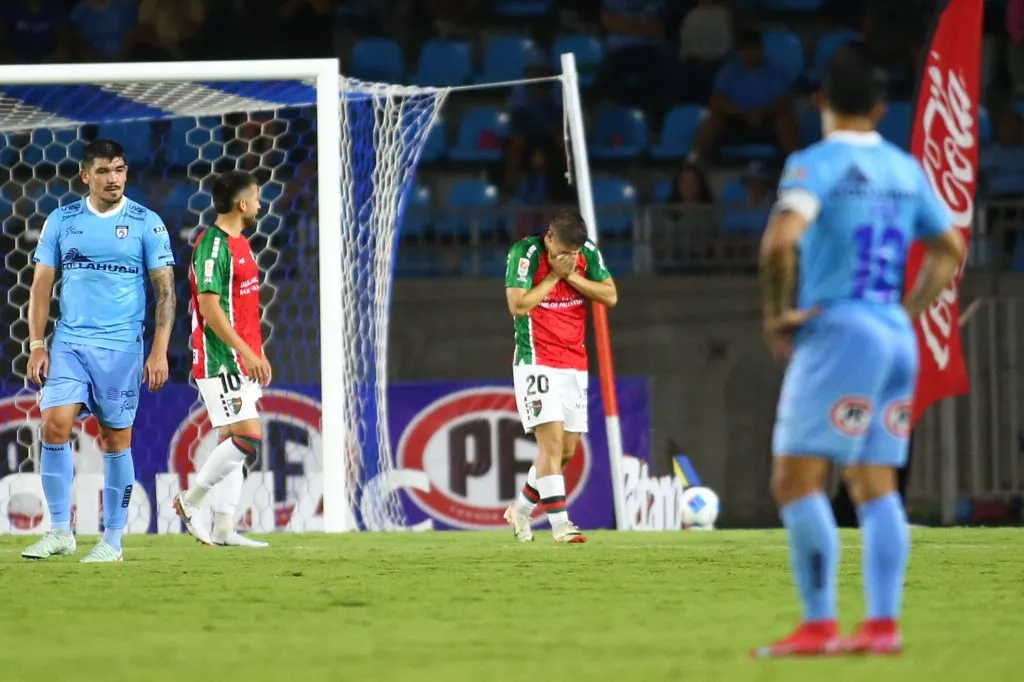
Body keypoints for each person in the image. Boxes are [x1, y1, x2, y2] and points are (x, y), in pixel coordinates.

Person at [753, 44, 965, 657]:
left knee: (796, 478)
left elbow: (778, 243)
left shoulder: (812, 163)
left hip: (841, 330)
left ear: (820, 100)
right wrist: (908, 312)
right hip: (896, 334)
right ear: (880, 106)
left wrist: (776, 315)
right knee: (876, 484)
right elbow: (949, 249)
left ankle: (819, 625)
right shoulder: (904, 168)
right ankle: (882, 625)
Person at [23, 139, 176, 563]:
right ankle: (58, 531)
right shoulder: (62, 220)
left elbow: (165, 291)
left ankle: (112, 541)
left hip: (122, 348)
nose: (114, 179)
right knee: (54, 424)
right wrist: (37, 344)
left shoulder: (147, 223)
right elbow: (41, 286)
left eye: (121, 170)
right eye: (105, 172)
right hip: (70, 342)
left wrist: (159, 351)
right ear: (85, 175)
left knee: (114, 439)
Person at [502, 211, 617, 544]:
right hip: (536, 361)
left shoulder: (587, 254)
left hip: (574, 364)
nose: (569, 259)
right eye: (563, 253)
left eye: (574, 255)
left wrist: (571, 277)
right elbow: (518, 305)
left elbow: (610, 295)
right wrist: (553, 277)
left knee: (566, 452)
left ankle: (521, 510)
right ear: (550, 238)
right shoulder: (524, 253)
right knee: (550, 446)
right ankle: (560, 525)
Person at [172, 171, 273, 547]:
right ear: (241, 204)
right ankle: (189, 500)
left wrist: (258, 352)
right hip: (219, 359)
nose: (260, 205)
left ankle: (224, 528)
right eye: (257, 198)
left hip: (242, 358)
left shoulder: (242, 243)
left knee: (231, 440)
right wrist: (246, 353)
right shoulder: (212, 246)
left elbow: (245, 308)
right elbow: (211, 311)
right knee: (248, 438)